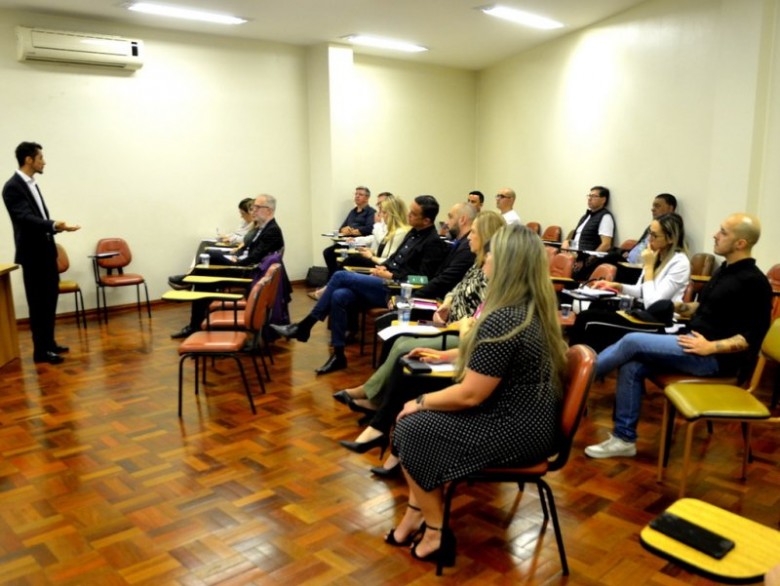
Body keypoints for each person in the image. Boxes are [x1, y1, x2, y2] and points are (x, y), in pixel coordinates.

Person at [383, 223, 567, 567]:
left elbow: (470, 395)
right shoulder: (528, 308)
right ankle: (415, 515)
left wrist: (420, 402)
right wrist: (446, 355)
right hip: (533, 424)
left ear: (507, 262)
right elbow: (493, 357)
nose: (485, 259)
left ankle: (435, 531)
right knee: (415, 425)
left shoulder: (505, 317)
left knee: (410, 427)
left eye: (491, 253)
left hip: (516, 430)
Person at [585, 213, 772, 459]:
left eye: (723, 232)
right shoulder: (726, 270)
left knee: (632, 340)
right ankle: (624, 439)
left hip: (714, 360)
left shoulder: (755, 282)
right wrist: (677, 307)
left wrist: (712, 347)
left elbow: (753, 335)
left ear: (741, 243)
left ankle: (575, 380)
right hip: (691, 342)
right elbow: (706, 309)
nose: (715, 235)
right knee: (632, 365)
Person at [335, 211, 506, 477]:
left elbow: (478, 321)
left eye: (474, 232)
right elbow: (455, 289)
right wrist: (446, 304)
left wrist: (456, 322)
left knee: (405, 350)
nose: (470, 236)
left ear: (487, 237)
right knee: (398, 338)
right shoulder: (479, 263)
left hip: (460, 335)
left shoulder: (494, 276)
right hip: (450, 323)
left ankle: (377, 412)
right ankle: (377, 408)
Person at [272, 195, 448, 374]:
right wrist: (383, 267)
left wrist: (393, 275)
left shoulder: (433, 242)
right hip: (385, 281)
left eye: (414, 213)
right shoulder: (413, 232)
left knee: (340, 276)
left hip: (397, 291)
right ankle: (338, 356)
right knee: (339, 295)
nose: (408, 214)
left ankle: (305, 326)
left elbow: (424, 279)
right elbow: (395, 260)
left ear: (426, 220)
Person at [2, 141, 80, 365]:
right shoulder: (12, 187)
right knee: (38, 304)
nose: (44, 162)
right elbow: (25, 219)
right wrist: (54, 225)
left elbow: (38, 218)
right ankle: (40, 351)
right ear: (29, 159)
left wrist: (55, 228)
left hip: (45, 252)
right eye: (40, 158)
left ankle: (49, 343)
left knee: (49, 300)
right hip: (32, 255)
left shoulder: (32, 184)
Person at [568, 213, 690, 351]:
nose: (649, 239)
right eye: (649, 233)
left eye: (655, 236)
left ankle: (578, 360)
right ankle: (581, 357)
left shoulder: (680, 263)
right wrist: (618, 286)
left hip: (658, 323)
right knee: (596, 307)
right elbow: (641, 290)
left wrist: (649, 267)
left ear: (671, 238)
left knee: (587, 318)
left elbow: (653, 304)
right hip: (639, 314)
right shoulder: (656, 256)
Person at [170, 194, 284, 338]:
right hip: (245, 266)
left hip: (249, 273)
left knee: (211, 255)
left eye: (257, 207)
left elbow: (254, 258)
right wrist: (237, 255)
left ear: (269, 210)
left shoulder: (272, 230)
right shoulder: (261, 227)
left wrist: (236, 262)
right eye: (253, 207)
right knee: (204, 277)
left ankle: (188, 283)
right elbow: (248, 249)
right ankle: (194, 321)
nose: (253, 210)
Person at [309, 195, 410, 300]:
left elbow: (389, 261)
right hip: (376, 259)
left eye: (384, 213)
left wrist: (371, 255)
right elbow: (381, 249)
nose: (382, 216)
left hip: (383, 268)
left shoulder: (398, 232)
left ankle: (328, 289)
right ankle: (330, 288)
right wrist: (370, 251)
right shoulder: (353, 212)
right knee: (332, 253)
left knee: (353, 259)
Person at [413, 202, 477, 300]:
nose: (447, 223)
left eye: (450, 217)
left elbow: (445, 280)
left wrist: (413, 296)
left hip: (441, 299)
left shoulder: (467, 248)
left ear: (462, 220)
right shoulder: (458, 243)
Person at [561, 185, 615, 280]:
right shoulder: (585, 217)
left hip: (586, 264)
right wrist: (567, 242)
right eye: (589, 196)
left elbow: (606, 245)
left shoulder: (605, 217)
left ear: (603, 200)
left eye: (594, 196)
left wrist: (586, 262)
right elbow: (577, 238)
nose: (590, 199)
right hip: (574, 258)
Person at [323, 186, 376, 277]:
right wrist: (344, 230)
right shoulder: (352, 212)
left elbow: (369, 228)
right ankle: (333, 277)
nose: (357, 196)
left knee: (345, 258)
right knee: (328, 252)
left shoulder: (371, 212)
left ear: (367, 198)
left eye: (360, 194)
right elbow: (341, 228)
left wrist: (354, 231)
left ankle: (337, 278)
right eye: (356, 194)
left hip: (358, 244)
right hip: (346, 242)